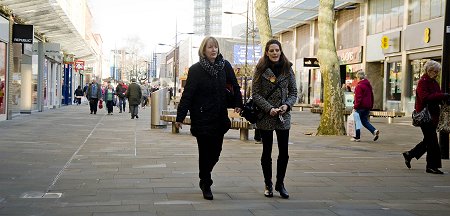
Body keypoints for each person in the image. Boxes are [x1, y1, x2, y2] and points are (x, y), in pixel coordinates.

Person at [175, 36, 242, 200]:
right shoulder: (196, 69)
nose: (213, 50)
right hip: (202, 116)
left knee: (216, 152)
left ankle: (205, 173)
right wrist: (180, 117)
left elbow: (234, 86)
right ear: (203, 50)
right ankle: (206, 183)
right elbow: (188, 95)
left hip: (219, 117)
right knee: (204, 152)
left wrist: (238, 103)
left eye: (216, 47)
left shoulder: (224, 66)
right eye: (210, 47)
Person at [252, 39, 297, 199]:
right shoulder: (260, 69)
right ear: (266, 52)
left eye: (277, 50)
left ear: (280, 51)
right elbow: (255, 94)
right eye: (271, 50)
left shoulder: (288, 68)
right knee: (267, 151)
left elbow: (293, 92)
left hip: (283, 117)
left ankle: (280, 183)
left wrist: (286, 105)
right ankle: (268, 183)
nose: (275, 53)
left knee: (284, 152)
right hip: (266, 116)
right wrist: (269, 108)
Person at [402, 60, 450, 174]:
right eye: (435, 71)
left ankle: (409, 154)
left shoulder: (433, 82)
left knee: (428, 140)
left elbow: (437, 95)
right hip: (425, 116)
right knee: (432, 142)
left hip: (433, 115)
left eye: (437, 71)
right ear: (429, 70)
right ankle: (431, 166)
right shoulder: (423, 82)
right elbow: (425, 97)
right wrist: (442, 95)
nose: (437, 73)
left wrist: (443, 97)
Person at [351, 71, 379, 142]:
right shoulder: (368, 85)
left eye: (356, 78)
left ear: (358, 77)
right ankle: (374, 131)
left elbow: (358, 98)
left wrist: (355, 107)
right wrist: (371, 105)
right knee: (364, 121)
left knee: (357, 121)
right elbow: (371, 96)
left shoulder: (359, 86)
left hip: (360, 107)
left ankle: (357, 137)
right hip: (367, 107)